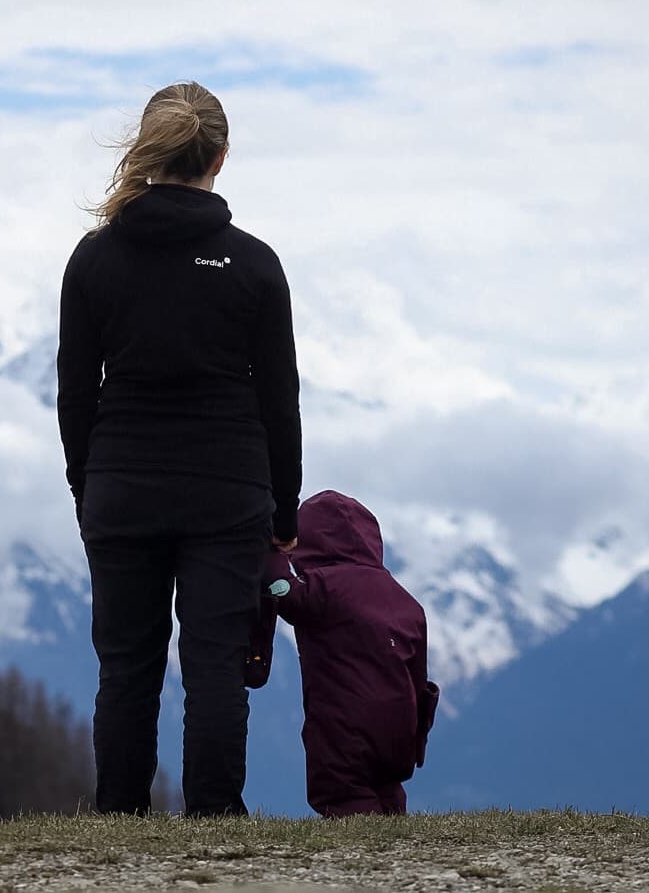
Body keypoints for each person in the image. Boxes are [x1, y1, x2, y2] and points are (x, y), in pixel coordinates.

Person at [57, 81, 302, 817]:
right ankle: (215, 818)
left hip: (121, 486)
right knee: (215, 664)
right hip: (228, 489)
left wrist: (86, 485)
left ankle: (121, 817)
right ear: (219, 159)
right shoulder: (254, 264)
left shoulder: (94, 259)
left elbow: (76, 392)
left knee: (126, 665)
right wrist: (283, 508)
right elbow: (279, 401)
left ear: (150, 149)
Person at [255, 490, 439, 817]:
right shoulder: (409, 603)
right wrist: (417, 739)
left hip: (344, 731)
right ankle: (397, 842)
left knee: (345, 796)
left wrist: (270, 550)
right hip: (400, 733)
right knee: (388, 790)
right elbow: (419, 681)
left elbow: (281, 590)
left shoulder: (325, 589)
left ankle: (366, 858)